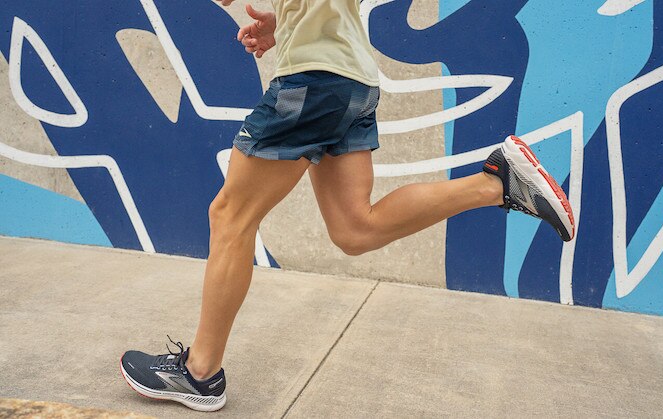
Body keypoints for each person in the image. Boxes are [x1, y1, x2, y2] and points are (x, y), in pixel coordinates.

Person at [119, 0, 575, 412]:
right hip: (351, 79)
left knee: (230, 216)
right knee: (356, 228)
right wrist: (293, 19)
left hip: (313, 81)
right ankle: (495, 184)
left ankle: (200, 373)